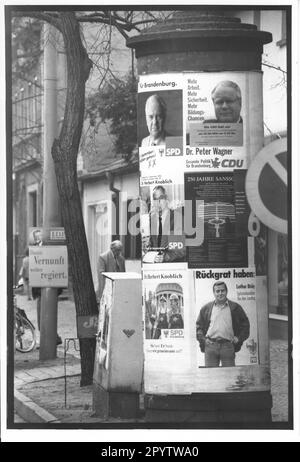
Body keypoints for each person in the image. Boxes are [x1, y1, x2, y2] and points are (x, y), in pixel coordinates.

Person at [196, 281, 250, 367]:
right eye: (217, 291)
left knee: (229, 377)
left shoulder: (235, 308)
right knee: (211, 376)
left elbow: (245, 325)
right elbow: (198, 327)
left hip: (227, 346)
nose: (220, 293)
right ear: (214, 293)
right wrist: (204, 340)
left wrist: (238, 338)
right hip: (211, 346)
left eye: (222, 290)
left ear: (226, 291)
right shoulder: (206, 308)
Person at [148, 185, 185, 263]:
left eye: (161, 198)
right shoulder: (153, 218)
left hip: (171, 265)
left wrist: (165, 257)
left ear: (166, 198)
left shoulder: (176, 217)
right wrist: (147, 252)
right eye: (155, 199)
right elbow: (152, 244)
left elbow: (181, 250)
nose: (158, 202)